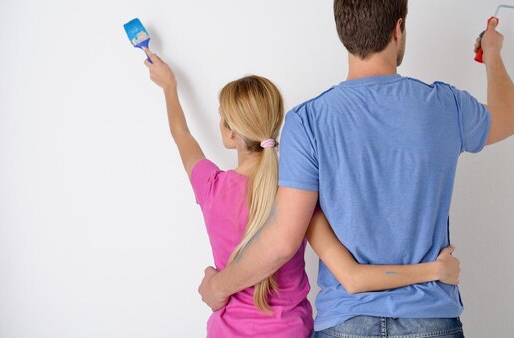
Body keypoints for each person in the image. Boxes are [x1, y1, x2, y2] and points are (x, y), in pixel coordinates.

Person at [198, 0, 514, 338]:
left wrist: (220, 286)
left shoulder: (308, 120)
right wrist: (492, 54)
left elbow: (284, 239)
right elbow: (506, 120)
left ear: (343, 34)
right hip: (430, 318)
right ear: (398, 29)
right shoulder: (445, 106)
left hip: (345, 323)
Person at [142, 49, 462, 337]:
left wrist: (169, 87)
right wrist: (434, 270)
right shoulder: (299, 196)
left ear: (228, 132)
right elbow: (351, 276)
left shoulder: (211, 186)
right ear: (275, 123)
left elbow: (181, 135)